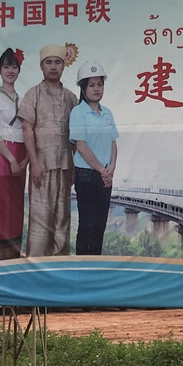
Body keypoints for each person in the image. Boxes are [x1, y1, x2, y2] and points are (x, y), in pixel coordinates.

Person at [18, 43, 79, 257]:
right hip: (41, 166)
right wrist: (34, 163)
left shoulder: (71, 98)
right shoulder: (32, 94)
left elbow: (75, 136)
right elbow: (27, 129)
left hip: (64, 165)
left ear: (63, 66)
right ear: (41, 66)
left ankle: (59, 266)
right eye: (48, 62)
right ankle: (35, 266)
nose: (53, 67)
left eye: (57, 62)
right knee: (40, 218)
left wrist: (73, 165)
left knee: (62, 218)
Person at [69, 61, 119, 255]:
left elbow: (113, 143)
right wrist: (101, 170)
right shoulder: (78, 112)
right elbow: (80, 146)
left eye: (100, 84)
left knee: (100, 227)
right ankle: (81, 273)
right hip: (86, 176)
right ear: (83, 88)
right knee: (87, 225)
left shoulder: (107, 113)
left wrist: (111, 167)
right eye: (92, 85)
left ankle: (96, 269)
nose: (97, 89)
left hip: (106, 176)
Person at [0, 48, 28, 262]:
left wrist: (25, 160)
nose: (10, 71)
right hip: (2, 158)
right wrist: (11, 159)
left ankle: (12, 259)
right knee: (0, 210)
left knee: (16, 210)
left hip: (21, 158)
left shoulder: (23, 99)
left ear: (19, 70)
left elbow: (28, 131)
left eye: (14, 67)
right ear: (0, 70)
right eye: (6, 67)